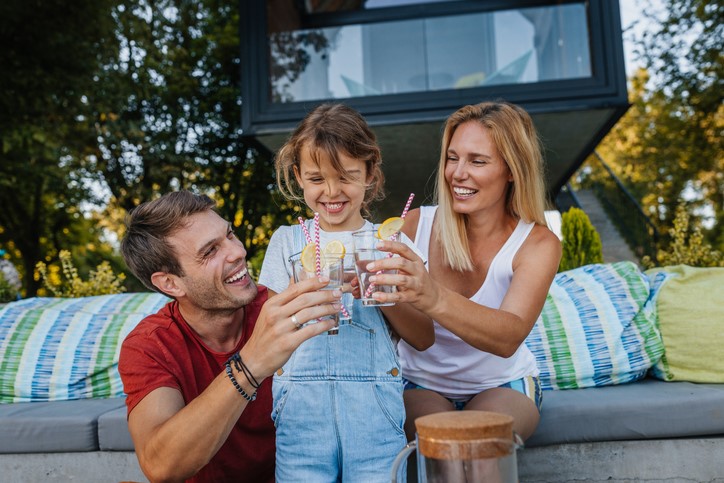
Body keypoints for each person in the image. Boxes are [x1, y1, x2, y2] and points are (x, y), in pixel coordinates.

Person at [364, 101, 562, 442]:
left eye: (477, 161)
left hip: (503, 384)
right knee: (446, 445)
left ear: (512, 169)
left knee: (479, 443)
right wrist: (376, 289)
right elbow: (415, 335)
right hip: (419, 382)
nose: (457, 173)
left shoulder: (538, 243)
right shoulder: (414, 225)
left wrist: (432, 294)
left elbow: (507, 338)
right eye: (452, 158)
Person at [258, 103, 434, 482]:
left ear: (369, 173)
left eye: (347, 177)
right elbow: (268, 335)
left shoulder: (392, 243)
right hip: (301, 412)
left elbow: (423, 337)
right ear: (298, 177)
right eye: (317, 178)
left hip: (375, 412)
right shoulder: (287, 241)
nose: (332, 192)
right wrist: (300, 294)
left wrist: (383, 291)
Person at [118, 190, 342, 483]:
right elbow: (161, 465)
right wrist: (251, 364)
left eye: (230, 235)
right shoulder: (150, 345)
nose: (238, 252)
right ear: (171, 283)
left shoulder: (282, 308)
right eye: (210, 251)